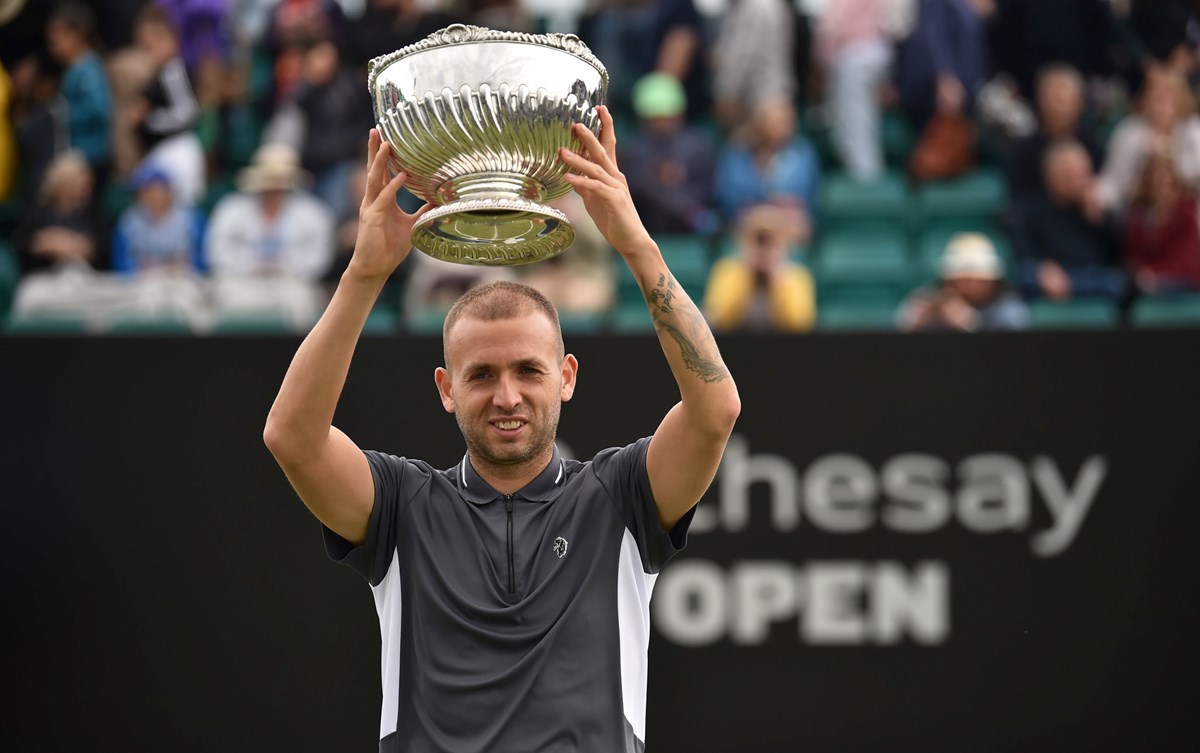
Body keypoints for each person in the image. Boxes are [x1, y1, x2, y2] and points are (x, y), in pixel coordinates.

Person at [262, 107, 740, 751]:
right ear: (446, 389)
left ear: (566, 377)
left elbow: (716, 412)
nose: (506, 396)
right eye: (481, 374)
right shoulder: (401, 505)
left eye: (528, 371)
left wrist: (636, 244)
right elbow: (291, 436)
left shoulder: (619, 495)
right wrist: (364, 274)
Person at [206, 142, 335, 325]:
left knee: (302, 304)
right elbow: (218, 254)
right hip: (242, 281)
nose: (274, 189)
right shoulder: (231, 209)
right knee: (229, 302)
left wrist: (286, 266)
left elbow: (319, 257)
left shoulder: (312, 213)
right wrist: (250, 266)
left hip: (292, 281)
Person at [1013, 139, 1127, 302]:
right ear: (1051, 178)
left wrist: (1100, 222)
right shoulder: (1031, 212)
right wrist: (1042, 269)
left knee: (1116, 283)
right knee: (1026, 278)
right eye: (1071, 175)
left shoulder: (1097, 211)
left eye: (1085, 174)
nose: (1082, 182)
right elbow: (1023, 255)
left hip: (1092, 279)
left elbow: (1118, 256)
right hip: (1049, 280)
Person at [127, 4, 206, 207]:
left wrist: (149, 119)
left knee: (182, 208)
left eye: (151, 45)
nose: (147, 52)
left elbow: (188, 114)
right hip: (161, 151)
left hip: (179, 150)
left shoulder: (173, 71)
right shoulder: (157, 75)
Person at [623, 72, 716, 235]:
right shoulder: (635, 151)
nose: (662, 124)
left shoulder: (697, 147)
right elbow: (634, 193)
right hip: (647, 230)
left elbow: (706, 191)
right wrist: (683, 207)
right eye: (655, 118)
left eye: (667, 117)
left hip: (690, 232)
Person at [1096, 68, 1200, 213]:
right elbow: (1112, 180)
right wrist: (1097, 197)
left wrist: (1168, 156)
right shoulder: (1130, 131)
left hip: (1187, 211)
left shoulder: (1192, 130)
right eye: (1156, 100)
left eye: (1168, 101)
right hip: (1136, 210)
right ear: (1145, 102)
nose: (1162, 108)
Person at [703, 203, 815, 333]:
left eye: (771, 241)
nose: (764, 248)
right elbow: (720, 319)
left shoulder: (797, 276)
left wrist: (777, 282)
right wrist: (747, 276)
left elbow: (800, 324)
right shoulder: (727, 271)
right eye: (758, 241)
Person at [1007, 63, 1106, 203]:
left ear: (1079, 103)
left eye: (1063, 101)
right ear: (1039, 102)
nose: (1057, 108)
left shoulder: (1093, 146)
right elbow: (1018, 199)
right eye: (1051, 100)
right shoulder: (1024, 151)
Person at [713, 98, 821, 225]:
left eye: (786, 121)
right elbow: (727, 195)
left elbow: (806, 196)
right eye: (775, 122)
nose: (783, 127)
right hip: (744, 223)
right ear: (758, 123)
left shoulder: (803, 152)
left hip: (790, 223)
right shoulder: (736, 153)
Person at [897, 232, 1029, 331]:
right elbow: (902, 322)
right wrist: (917, 322)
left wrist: (972, 324)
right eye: (963, 279)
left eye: (976, 279)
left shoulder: (1007, 307)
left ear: (991, 281)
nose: (969, 286)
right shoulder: (933, 297)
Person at [45, 2, 112, 187]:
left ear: (77, 35)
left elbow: (98, 109)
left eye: (58, 38)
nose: (53, 45)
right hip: (76, 152)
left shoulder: (87, 69)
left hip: (90, 156)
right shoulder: (73, 68)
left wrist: (60, 116)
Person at [1123, 154, 1200, 294]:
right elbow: (1134, 257)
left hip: (1183, 278)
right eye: (1156, 185)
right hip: (1145, 279)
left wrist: (1154, 274)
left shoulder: (1186, 216)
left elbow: (1185, 261)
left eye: (1167, 185)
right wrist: (1143, 273)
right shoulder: (1138, 219)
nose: (1162, 191)